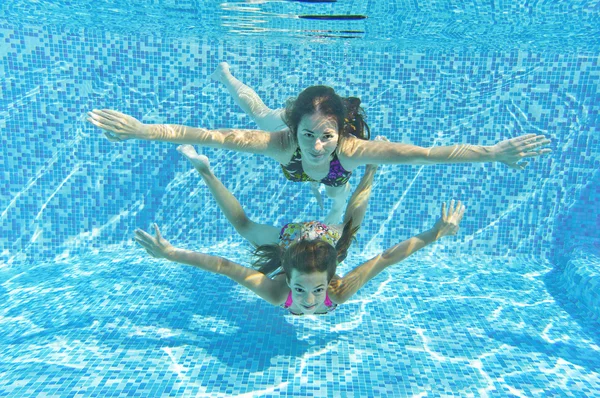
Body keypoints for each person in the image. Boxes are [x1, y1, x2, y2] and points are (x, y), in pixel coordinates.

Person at [88, 74, 550, 224]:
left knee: (333, 210)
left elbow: (428, 154)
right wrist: (144, 129)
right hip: (281, 141)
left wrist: (493, 151)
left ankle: (328, 213)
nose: (315, 145)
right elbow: (208, 135)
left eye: (325, 135)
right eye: (309, 134)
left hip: (334, 180)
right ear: (298, 126)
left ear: (341, 130)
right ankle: (229, 75)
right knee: (256, 113)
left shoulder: (351, 150)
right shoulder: (283, 141)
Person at [133, 144, 466, 316]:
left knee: (251, 229)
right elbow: (384, 258)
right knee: (349, 226)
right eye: (304, 291)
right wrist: (434, 233)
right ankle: (371, 169)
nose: (308, 301)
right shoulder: (316, 291)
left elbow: (386, 258)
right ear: (286, 277)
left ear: (327, 281)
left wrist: (172, 253)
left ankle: (372, 168)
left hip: (312, 240)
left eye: (316, 290)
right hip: (305, 238)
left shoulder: (286, 293)